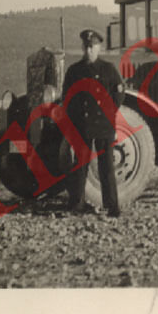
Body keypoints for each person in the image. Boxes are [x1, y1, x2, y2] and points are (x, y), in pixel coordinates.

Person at [63, 29, 126, 217]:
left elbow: (119, 93)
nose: (89, 50)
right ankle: (77, 204)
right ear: (83, 48)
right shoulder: (74, 71)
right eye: (86, 47)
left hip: (103, 125)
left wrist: (109, 111)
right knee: (80, 165)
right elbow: (68, 98)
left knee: (106, 165)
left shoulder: (109, 69)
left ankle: (112, 206)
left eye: (93, 47)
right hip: (82, 125)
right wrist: (75, 119)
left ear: (99, 48)